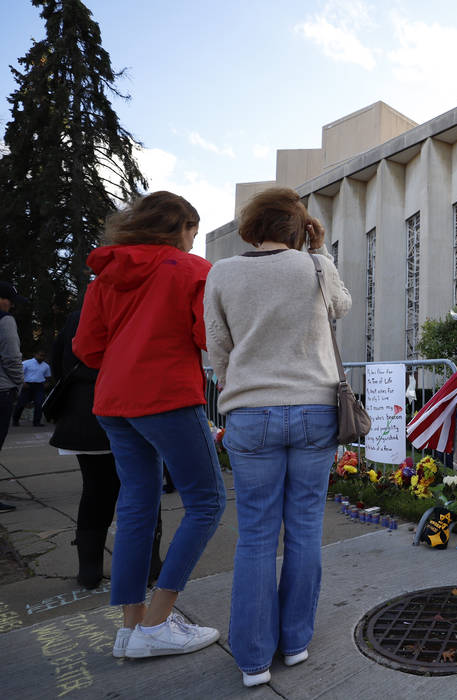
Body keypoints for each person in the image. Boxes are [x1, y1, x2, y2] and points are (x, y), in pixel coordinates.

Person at [204, 187, 350, 687]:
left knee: (257, 536)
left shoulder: (221, 272)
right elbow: (342, 306)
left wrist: (236, 384)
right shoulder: (313, 267)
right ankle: (296, 642)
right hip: (314, 408)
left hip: (250, 409)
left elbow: (217, 346)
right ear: (300, 228)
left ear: (252, 224)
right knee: (306, 528)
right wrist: (320, 250)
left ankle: (252, 659)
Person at [74, 191, 226, 660]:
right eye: (192, 233)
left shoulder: (106, 276)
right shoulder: (190, 270)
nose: (192, 243)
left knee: (137, 504)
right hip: (165, 396)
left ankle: (132, 626)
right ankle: (158, 623)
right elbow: (209, 336)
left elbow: (87, 348)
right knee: (207, 501)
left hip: (113, 401)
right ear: (179, 226)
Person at [50, 311, 164, 589]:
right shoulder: (131, 308)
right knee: (142, 488)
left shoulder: (76, 316)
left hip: (83, 415)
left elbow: (57, 362)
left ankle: (89, 570)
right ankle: (148, 565)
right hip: (127, 409)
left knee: (95, 490)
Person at [0, 280, 27, 513]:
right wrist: (20, 381)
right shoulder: (5, 320)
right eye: (10, 302)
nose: (11, 307)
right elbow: (10, 356)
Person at [13, 349, 51, 426]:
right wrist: (22, 383)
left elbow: (48, 376)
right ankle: (15, 421)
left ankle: (37, 422)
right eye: (40, 355)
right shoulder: (26, 363)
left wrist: (47, 383)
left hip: (39, 386)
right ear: (35, 355)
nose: (42, 357)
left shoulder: (46, 366)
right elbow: (19, 373)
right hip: (27, 385)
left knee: (39, 404)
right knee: (21, 404)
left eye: (43, 356)